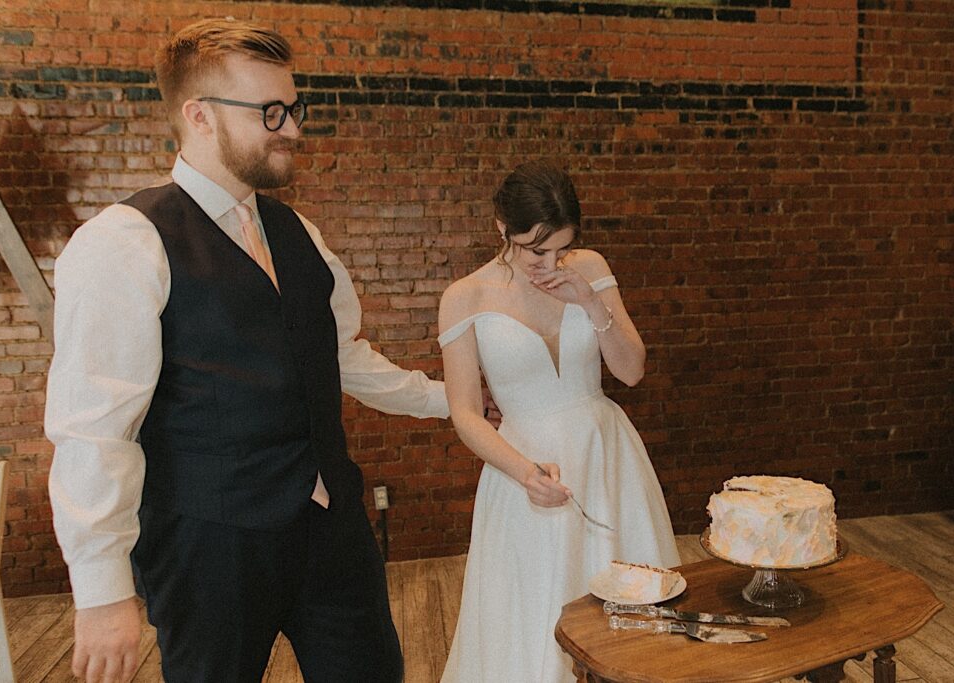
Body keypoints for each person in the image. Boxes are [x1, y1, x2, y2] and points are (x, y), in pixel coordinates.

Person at [45, 18, 450, 683]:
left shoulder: (300, 233)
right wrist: (101, 588)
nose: (292, 127)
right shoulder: (123, 242)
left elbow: (340, 354)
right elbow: (93, 430)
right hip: (210, 547)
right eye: (271, 111)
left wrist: (449, 402)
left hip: (332, 531)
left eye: (293, 108)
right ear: (199, 116)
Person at [437, 160, 681, 682]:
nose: (548, 262)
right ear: (501, 228)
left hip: (604, 453)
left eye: (559, 248)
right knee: (535, 610)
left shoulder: (588, 268)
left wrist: (589, 301)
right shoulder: (464, 297)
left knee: (626, 610)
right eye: (534, 249)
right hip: (524, 469)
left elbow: (631, 371)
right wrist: (524, 473)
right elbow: (464, 414)